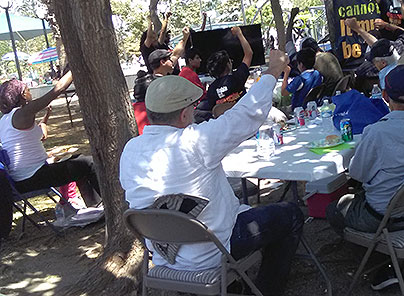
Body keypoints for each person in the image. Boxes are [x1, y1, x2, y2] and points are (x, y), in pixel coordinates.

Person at [119, 50, 303, 296]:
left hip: (164, 255)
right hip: (212, 252)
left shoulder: (130, 150)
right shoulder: (195, 142)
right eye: (192, 107)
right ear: (184, 114)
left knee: (237, 210)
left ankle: (236, 285)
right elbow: (247, 114)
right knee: (291, 214)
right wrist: (272, 71)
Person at [326, 11, 404, 290]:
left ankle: (384, 269)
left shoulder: (377, 133)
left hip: (384, 218)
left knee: (335, 211)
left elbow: (358, 175)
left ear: (385, 96)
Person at [0, 71, 101, 208]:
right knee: (89, 163)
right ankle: (112, 205)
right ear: (23, 95)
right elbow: (58, 88)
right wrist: (72, 68)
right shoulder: (23, 113)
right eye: (28, 90)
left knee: (78, 161)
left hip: (19, 180)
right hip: (33, 177)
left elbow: (26, 143)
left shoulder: (4, 120)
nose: (31, 93)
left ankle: (95, 205)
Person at [285, 8, 343, 96]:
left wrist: (292, 18)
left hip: (327, 95)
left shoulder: (311, 62)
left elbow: (288, 41)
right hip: (338, 91)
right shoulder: (329, 55)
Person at [133, 27, 190, 103]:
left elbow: (176, 54)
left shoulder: (165, 75)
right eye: (169, 59)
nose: (172, 60)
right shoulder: (153, 85)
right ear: (162, 62)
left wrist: (185, 38)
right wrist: (150, 21)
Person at [203, 26, 253, 111]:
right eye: (230, 61)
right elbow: (249, 54)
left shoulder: (211, 90)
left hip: (225, 123)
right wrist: (239, 33)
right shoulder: (236, 78)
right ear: (227, 65)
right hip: (243, 117)